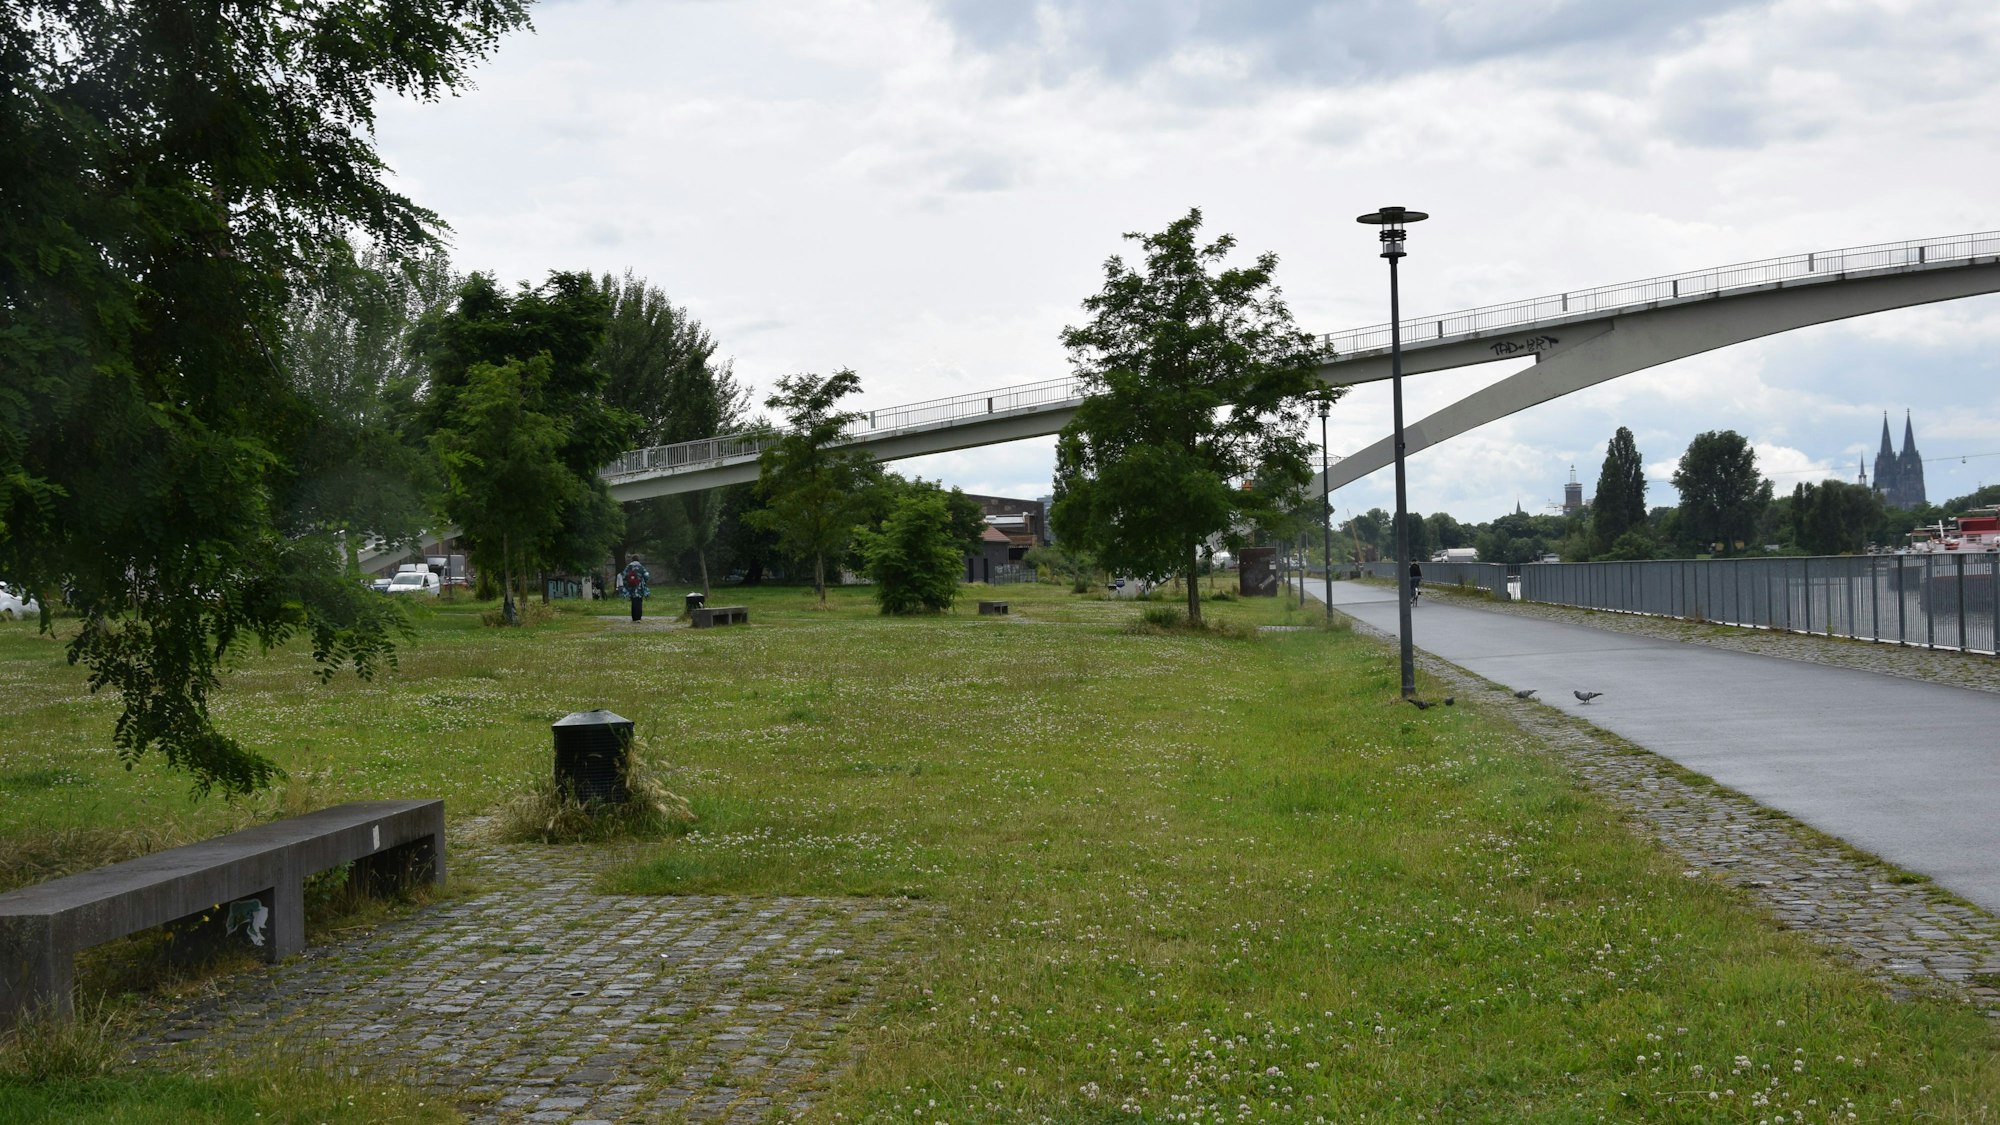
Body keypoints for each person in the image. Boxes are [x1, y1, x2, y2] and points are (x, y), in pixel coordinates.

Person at [620, 557, 651, 621]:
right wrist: (644, 582)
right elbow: (646, 576)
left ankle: (634, 617)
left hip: (631, 587)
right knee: (639, 602)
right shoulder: (641, 567)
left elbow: (623, 576)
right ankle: (638, 617)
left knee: (633, 601)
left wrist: (627, 584)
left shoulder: (628, 567)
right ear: (638, 559)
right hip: (639, 588)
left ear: (632, 559)